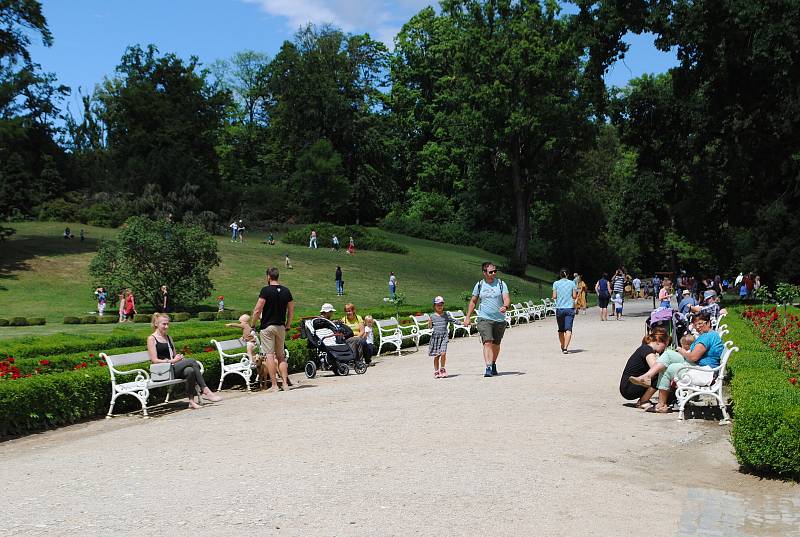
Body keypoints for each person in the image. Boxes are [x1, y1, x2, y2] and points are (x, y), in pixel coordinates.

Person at [630, 313, 722, 413]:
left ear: (708, 323)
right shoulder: (707, 335)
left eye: (700, 324)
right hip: (698, 366)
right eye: (695, 325)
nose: (698, 327)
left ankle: (661, 403)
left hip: (704, 371)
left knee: (668, 368)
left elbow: (693, 357)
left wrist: (682, 351)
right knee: (668, 354)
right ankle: (648, 378)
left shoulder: (708, 337)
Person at [147, 313, 221, 409]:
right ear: (156, 324)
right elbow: (154, 360)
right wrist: (172, 360)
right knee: (191, 361)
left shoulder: (169, 338)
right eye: (164, 324)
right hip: (163, 372)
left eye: (167, 324)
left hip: (172, 369)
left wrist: (179, 358)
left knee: (190, 371)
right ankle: (205, 389)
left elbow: (174, 355)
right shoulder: (151, 339)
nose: (166, 326)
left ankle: (191, 401)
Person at [464, 261, 510, 377]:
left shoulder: (501, 284)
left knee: (496, 344)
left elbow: (507, 298)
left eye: (495, 271)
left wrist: (505, 306)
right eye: (491, 272)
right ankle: (488, 367)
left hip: (499, 319)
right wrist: (468, 317)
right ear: (484, 272)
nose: (494, 273)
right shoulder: (479, 285)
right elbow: (473, 301)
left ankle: (493, 363)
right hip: (484, 318)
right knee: (487, 342)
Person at [252, 267, 295, 391]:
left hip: (267, 327)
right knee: (281, 356)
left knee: (269, 355)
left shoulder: (265, 290)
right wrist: (288, 324)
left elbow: (257, 310)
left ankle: (275, 385)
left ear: (268, 277)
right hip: (281, 326)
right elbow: (291, 311)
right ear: (278, 276)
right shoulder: (286, 291)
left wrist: (253, 324)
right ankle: (285, 384)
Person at [618, 328, 670, 408]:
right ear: (658, 342)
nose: (664, 348)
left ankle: (643, 399)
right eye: (665, 345)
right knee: (660, 375)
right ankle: (643, 401)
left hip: (628, 386)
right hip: (629, 387)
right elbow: (655, 367)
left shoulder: (644, 348)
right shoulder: (647, 350)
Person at [428, 296, 456, 378]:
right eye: (438, 305)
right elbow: (430, 327)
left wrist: (463, 323)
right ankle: (436, 371)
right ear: (434, 306)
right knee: (437, 355)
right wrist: (429, 322)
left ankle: (442, 369)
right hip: (436, 338)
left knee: (443, 353)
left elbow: (453, 320)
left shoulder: (446, 315)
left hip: (444, 336)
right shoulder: (432, 316)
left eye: (441, 305)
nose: (440, 306)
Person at [553, 269, 578, 354]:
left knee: (561, 329)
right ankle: (565, 348)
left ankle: (562, 345)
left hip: (560, 308)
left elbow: (554, 296)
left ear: (560, 275)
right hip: (569, 308)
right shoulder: (572, 283)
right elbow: (574, 296)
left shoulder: (556, 283)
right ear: (567, 275)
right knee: (568, 329)